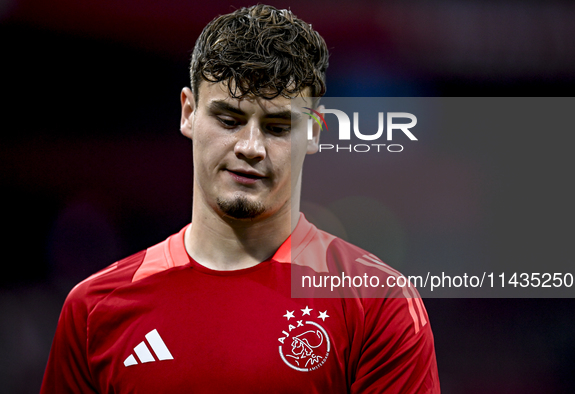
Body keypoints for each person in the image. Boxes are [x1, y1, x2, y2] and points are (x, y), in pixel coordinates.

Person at [41, 4, 440, 393]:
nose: (251, 147)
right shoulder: (94, 310)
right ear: (188, 112)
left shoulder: (376, 302)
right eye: (229, 120)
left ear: (315, 132)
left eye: (278, 126)